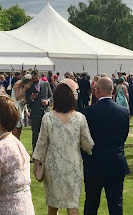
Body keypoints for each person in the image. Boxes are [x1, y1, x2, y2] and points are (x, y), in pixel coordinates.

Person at [33, 83, 94, 215]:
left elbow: (41, 144)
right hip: (73, 166)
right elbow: (87, 144)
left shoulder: (48, 117)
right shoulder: (80, 118)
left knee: (52, 206)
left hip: (53, 166)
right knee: (72, 205)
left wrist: (36, 163)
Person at [81, 77, 129, 215]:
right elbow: (123, 136)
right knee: (116, 203)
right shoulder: (123, 112)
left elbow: (85, 139)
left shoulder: (87, 112)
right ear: (112, 90)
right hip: (116, 162)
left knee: (91, 203)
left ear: (97, 91)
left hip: (93, 163)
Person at [25, 70, 53, 154]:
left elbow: (51, 96)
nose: (34, 80)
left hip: (45, 112)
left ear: (39, 77)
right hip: (35, 113)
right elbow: (27, 101)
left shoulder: (45, 84)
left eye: (36, 78)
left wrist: (48, 101)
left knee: (47, 134)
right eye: (33, 79)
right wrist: (31, 98)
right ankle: (35, 153)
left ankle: (46, 153)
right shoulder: (29, 87)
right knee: (35, 135)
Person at [10, 74, 31, 140]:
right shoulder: (17, 84)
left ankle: (18, 143)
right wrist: (24, 89)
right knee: (15, 130)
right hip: (15, 107)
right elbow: (17, 97)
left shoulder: (26, 86)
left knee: (19, 130)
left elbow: (22, 98)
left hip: (22, 107)